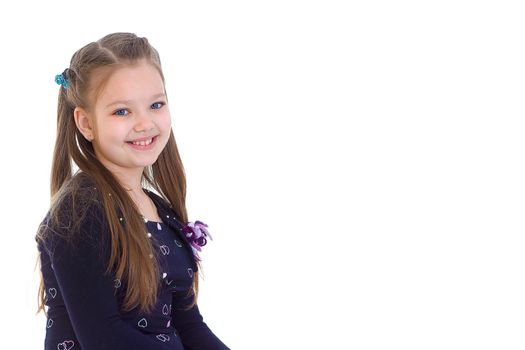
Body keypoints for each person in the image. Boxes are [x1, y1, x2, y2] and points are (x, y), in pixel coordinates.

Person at [35, 32, 230, 350]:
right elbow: (104, 338)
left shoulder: (159, 210)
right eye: (122, 111)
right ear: (85, 123)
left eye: (156, 105)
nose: (144, 123)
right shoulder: (79, 212)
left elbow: (189, 325)